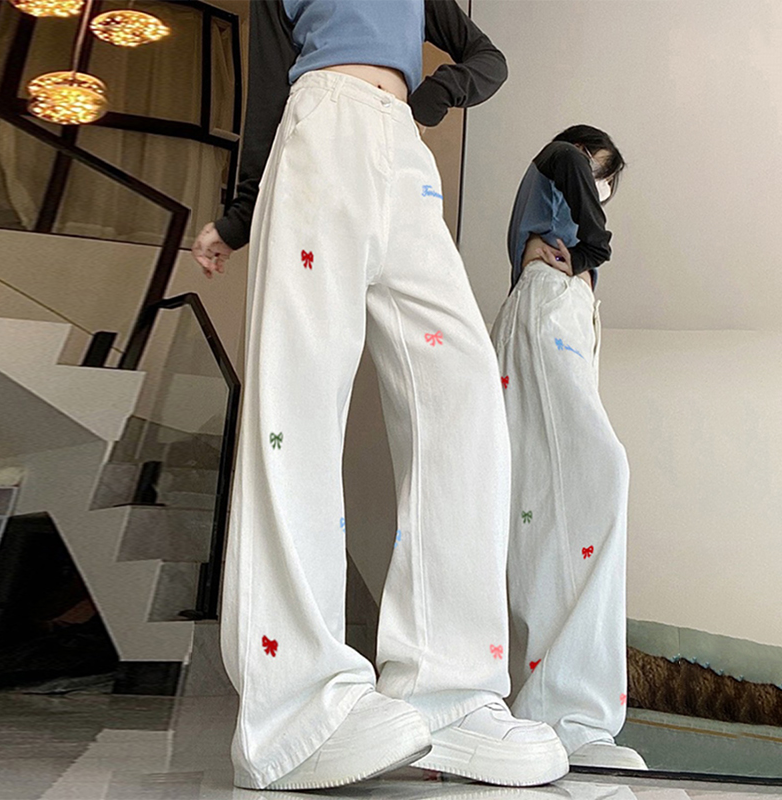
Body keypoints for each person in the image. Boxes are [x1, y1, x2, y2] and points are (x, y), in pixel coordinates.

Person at [191, 0, 569, 791]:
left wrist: (430, 98)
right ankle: (293, 710)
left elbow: (485, 58)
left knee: (464, 396)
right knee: (296, 406)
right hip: (318, 128)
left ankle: (448, 693)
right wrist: (238, 216)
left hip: (402, 150)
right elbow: (267, 86)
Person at [490, 125, 647, 770]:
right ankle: (570, 714)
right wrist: (588, 254)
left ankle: (547, 710)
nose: (598, 188)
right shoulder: (561, 159)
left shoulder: (555, 191)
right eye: (598, 173)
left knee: (540, 516)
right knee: (599, 476)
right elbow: (577, 189)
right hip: (549, 310)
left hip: (557, 318)